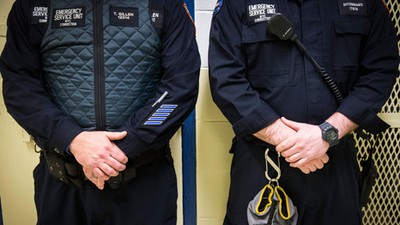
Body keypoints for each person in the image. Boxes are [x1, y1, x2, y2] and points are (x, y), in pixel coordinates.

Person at [0, 0, 200, 224]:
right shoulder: (32, 5)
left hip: (143, 184)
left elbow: (180, 89)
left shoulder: (164, 4)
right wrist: (70, 138)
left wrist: (124, 147)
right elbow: (20, 88)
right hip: (63, 185)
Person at [208, 0, 399, 225]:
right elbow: (227, 80)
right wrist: (289, 142)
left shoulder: (367, 4)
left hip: (334, 162)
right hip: (261, 162)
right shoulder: (237, 4)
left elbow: (379, 72)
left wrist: (326, 135)